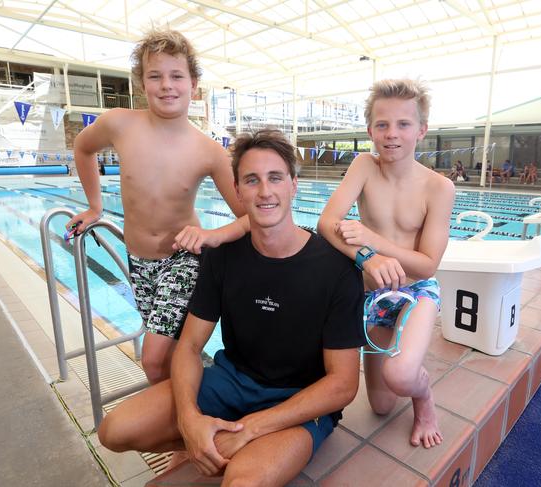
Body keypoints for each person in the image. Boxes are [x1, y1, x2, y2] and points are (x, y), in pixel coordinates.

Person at [97, 129, 365, 485]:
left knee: (242, 483)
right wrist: (190, 420)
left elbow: (343, 385)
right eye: (252, 180)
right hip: (231, 382)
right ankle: (214, 442)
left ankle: (241, 446)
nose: (265, 192)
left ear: (294, 185)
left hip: (301, 400)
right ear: (237, 191)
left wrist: (253, 428)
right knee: (115, 430)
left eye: (275, 178)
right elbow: (190, 347)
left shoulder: (336, 269)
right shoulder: (221, 257)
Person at [65, 29, 248, 384]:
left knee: (152, 358)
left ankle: (180, 420)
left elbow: (249, 217)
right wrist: (94, 207)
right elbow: (83, 148)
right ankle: (179, 419)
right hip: (138, 262)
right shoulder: (119, 124)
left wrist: (210, 235)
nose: (167, 85)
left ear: (194, 85)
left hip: (183, 260)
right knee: (169, 356)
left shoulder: (207, 150)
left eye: (177, 76)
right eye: (156, 76)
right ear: (142, 83)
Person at [318, 79, 455, 449]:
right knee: (381, 405)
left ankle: (424, 398)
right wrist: (368, 257)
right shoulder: (364, 166)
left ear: (421, 130)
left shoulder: (439, 188)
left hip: (417, 291)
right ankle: (407, 373)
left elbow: (427, 265)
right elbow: (326, 223)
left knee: (402, 375)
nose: (391, 134)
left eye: (403, 124)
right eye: (382, 125)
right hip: (372, 295)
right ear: (369, 131)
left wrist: (374, 240)